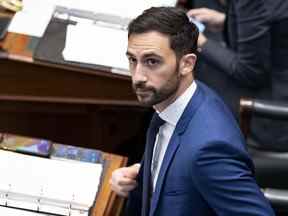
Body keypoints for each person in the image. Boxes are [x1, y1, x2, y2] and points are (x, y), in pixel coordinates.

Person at [110, 7, 275, 216]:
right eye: (133, 60)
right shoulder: (174, 99)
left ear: (187, 64)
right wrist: (146, 174)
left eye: (152, 62)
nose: (138, 77)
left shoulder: (209, 149)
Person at [187, 0, 288, 151]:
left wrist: (201, 41)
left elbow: (250, 72)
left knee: (186, 100)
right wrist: (227, 21)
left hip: (273, 118)